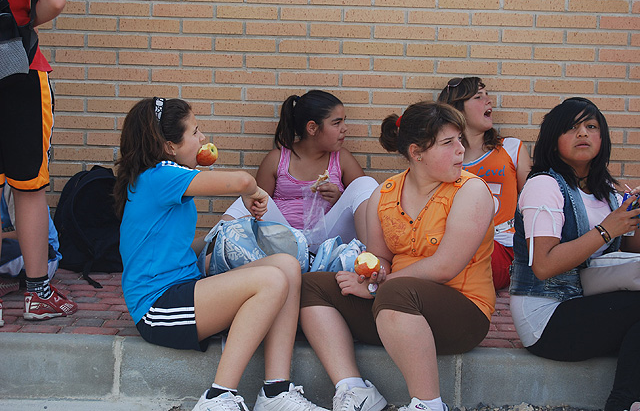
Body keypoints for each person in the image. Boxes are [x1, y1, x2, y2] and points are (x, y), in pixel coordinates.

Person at [114, 97, 327, 411]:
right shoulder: (160, 175)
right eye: (195, 132)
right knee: (271, 280)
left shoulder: (158, 177)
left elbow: (170, 246)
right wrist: (253, 192)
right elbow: (242, 180)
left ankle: (276, 393)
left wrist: (216, 244)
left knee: (287, 265)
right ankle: (218, 397)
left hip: (186, 288)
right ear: (170, 146)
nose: (203, 138)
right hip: (157, 308)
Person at [299, 101, 496, 411]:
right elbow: (380, 258)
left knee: (396, 292)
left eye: (460, 139)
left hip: (462, 314)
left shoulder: (471, 191)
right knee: (311, 285)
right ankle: (353, 389)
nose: (462, 149)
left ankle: (429, 404)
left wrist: (379, 285)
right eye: (448, 142)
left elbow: (445, 267)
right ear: (417, 153)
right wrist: (374, 273)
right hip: (394, 308)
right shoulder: (383, 194)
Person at [509, 97, 640, 411]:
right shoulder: (544, 186)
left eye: (591, 126)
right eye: (571, 127)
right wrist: (607, 229)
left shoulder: (607, 191)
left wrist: (634, 218)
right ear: (553, 140)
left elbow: (630, 253)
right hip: (546, 318)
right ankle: (622, 403)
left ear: (602, 137)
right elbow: (543, 265)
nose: (583, 133)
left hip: (590, 305)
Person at [0, 0, 77, 320]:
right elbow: (54, 0)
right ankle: (38, 294)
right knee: (29, 187)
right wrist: (19, 23)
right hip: (20, 65)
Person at [222, 90, 378, 249]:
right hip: (284, 241)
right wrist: (257, 207)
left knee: (365, 183)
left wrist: (338, 197)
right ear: (312, 128)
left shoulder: (341, 158)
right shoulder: (277, 159)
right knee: (247, 200)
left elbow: (362, 201)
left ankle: (373, 256)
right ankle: (213, 249)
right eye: (337, 123)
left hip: (327, 240)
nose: (345, 128)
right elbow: (258, 205)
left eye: (344, 121)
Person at [438, 76, 531, 290]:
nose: (489, 100)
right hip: (456, 245)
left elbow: (533, 201)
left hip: (502, 246)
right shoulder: (444, 159)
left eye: (487, 95)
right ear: (457, 109)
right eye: (478, 97)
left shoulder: (511, 148)